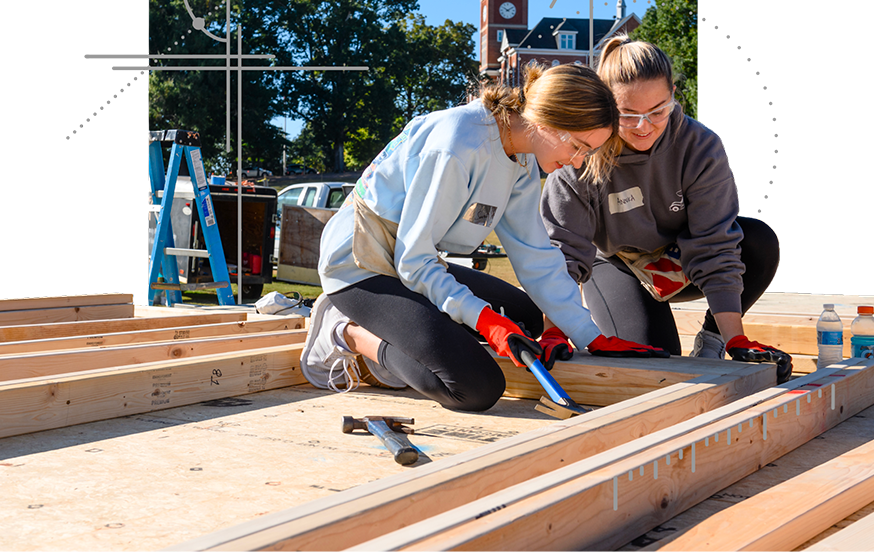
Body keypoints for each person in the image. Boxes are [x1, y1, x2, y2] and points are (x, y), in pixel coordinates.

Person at [299, 63, 668, 413]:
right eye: (579, 147)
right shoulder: (458, 145)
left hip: (407, 260)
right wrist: (485, 321)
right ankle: (345, 332)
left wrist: (591, 335)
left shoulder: (521, 156)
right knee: (474, 388)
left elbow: (536, 256)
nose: (577, 162)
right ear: (549, 122)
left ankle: (403, 332)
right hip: (361, 265)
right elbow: (415, 262)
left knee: (525, 318)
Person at [540, 36, 792, 383]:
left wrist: (735, 338)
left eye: (658, 111)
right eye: (628, 115)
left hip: (680, 259)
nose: (644, 127)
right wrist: (555, 330)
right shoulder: (579, 157)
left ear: (673, 92)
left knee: (758, 241)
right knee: (659, 366)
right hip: (615, 264)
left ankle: (712, 340)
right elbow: (563, 255)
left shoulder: (700, 147)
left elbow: (715, 245)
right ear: (607, 106)